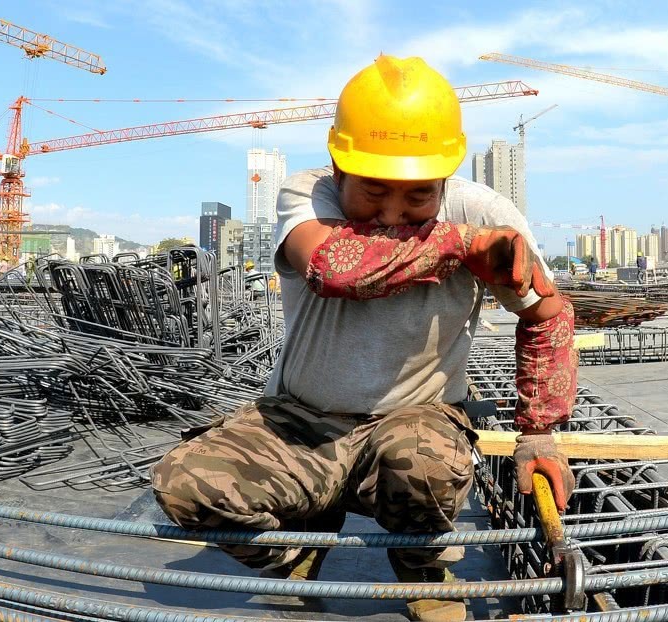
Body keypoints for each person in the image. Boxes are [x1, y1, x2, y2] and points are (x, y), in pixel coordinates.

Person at [150, 55, 575, 622]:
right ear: (338, 164)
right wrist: (464, 246)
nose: (392, 213)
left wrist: (539, 433)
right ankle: (299, 552)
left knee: (424, 463)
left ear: (444, 177)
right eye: (373, 193)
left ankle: (422, 570)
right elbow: (333, 266)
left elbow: (546, 311)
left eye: (418, 196)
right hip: (299, 421)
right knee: (188, 485)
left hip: (417, 418)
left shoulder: (483, 210)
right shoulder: (309, 194)